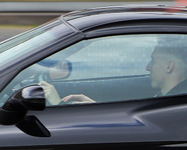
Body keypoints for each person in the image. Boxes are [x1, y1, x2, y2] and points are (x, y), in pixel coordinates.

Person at [39, 38, 187, 105]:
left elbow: (132, 133)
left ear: (169, 66)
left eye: (153, 61)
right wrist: (94, 107)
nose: (148, 67)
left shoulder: (174, 106)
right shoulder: (168, 99)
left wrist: (58, 104)